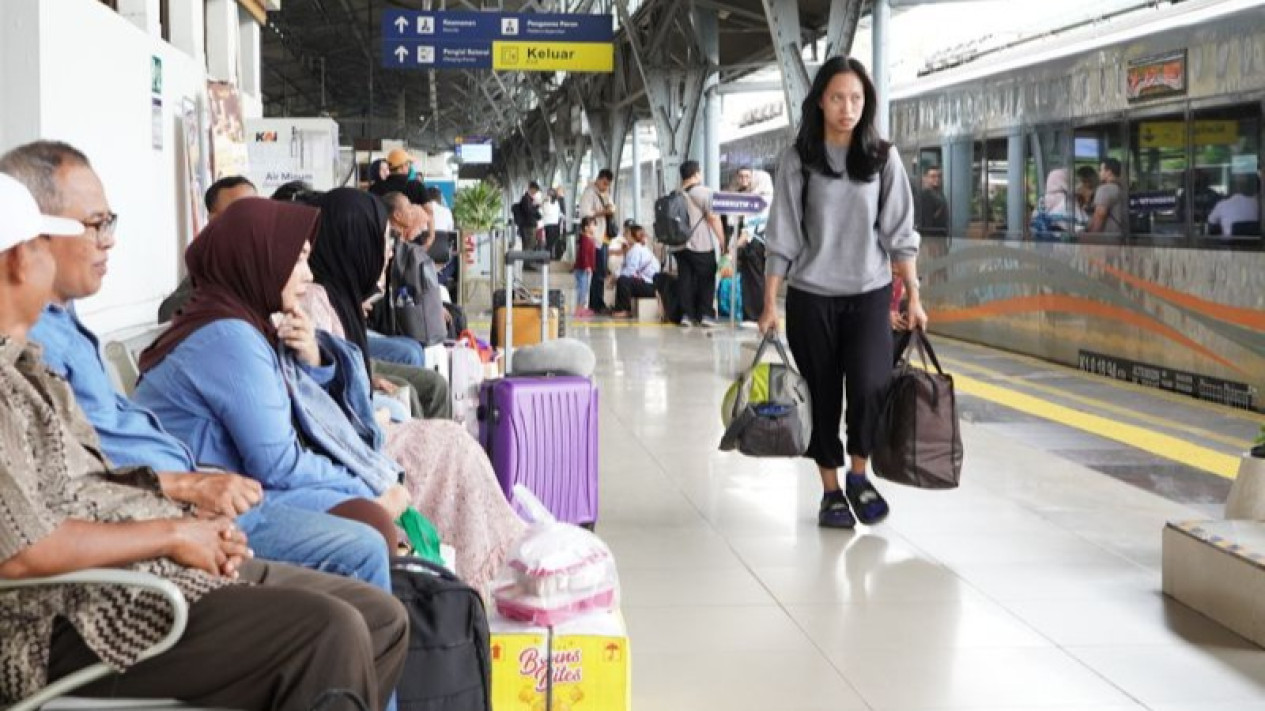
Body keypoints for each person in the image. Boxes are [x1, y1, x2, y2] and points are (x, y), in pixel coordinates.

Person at [0, 172, 408, 711]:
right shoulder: (14, 378)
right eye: (47, 247)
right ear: (18, 260)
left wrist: (185, 504)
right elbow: (21, 551)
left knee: (382, 619)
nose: (101, 245)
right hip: (77, 611)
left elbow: (87, 479)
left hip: (138, 564)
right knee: (331, 631)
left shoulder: (29, 368)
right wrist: (173, 534)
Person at [133, 198, 408, 550]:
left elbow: (299, 415)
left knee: (372, 517)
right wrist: (369, 484)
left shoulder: (242, 321)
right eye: (298, 260)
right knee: (371, 522)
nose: (309, 275)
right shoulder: (230, 337)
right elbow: (278, 463)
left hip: (235, 486)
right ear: (258, 260)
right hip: (207, 505)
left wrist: (311, 356)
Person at [300, 189, 528, 591]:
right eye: (381, 239)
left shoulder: (333, 296)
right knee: (448, 441)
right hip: (346, 443)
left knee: (447, 436)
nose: (389, 251)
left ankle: (486, 557)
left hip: (354, 429)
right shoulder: (314, 302)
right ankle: (479, 567)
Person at [760, 56, 925, 530]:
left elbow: (899, 232)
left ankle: (859, 472)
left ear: (866, 102)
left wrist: (913, 295)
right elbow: (783, 236)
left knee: (872, 385)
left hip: (870, 293)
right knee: (822, 396)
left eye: (856, 98)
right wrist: (770, 302)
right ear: (820, 102)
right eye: (837, 98)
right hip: (812, 296)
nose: (847, 107)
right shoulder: (799, 160)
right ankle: (831, 490)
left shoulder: (881, 156)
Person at [157, 175, 258, 322]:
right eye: (239, 212)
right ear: (213, 222)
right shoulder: (208, 267)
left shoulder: (272, 259)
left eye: (256, 210)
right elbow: (169, 312)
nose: (251, 220)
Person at [671, 160, 725, 328]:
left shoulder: (675, 193)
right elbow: (713, 218)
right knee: (707, 277)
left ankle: (687, 315)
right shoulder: (703, 192)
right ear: (696, 174)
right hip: (700, 244)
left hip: (679, 245)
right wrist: (723, 242)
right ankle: (706, 315)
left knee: (685, 280)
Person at [579, 169, 617, 312]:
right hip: (595, 239)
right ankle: (596, 304)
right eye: (604, 183)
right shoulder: (589, 193)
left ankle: (598, 302)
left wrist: (611, 208)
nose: (605, 187)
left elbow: (611, 207)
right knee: (598, 272)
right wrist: (602, 212)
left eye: (608, 185)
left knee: (601, 272)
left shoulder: (606, 194)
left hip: (605, 238)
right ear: (599, 179)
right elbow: (584, 214)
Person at [611, 224, 660, 317]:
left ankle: (624, 309)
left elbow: (629, 271)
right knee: (622, 279)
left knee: (623, 280)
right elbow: (625, 267)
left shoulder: (636, 249)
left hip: (651, 286)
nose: (624, 236)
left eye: (626, 233)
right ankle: (619, 308)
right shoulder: (634, 249)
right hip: (647, 283)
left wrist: (615, 277)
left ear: (630, 235)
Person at [1031, 168, 1087, 237]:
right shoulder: (1068, 199)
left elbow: (1034, 218)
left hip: (1043, 239)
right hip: (1064, 240)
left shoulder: (1043, 199)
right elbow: (1079, 225)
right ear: (1064, 181)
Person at [1087, 157, 1126, 235]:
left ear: (1109, 172)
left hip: (1107, 239)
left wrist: (1091, 237)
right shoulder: (1121, 188)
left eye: (1101, 170)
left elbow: (1100, 215)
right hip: (1120, 236)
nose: (1099, 173)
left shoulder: (1105, 189)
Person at [573, 216, 598, 319]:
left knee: (584, 289)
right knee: (582, 290)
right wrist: (587, 265)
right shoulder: (585, 240)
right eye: (593, 225)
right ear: (586, 227)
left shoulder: (588, 239)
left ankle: (581, 308)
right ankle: (579, 310)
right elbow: (584, 255)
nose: (595, 227)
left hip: (584, 269)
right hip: (582, 269)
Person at [916, 166, 948, 235]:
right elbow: (927, 222)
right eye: (933, 176)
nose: (937, 179)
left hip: (941, 235)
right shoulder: (925, 195)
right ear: (925, 178)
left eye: (939, 176)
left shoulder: (940, 194)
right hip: (932, 237)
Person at [516, 181, 543, 251]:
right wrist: (538, 214)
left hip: (528, 225)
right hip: (528, 226)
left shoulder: (528, 199)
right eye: (535, 191)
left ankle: (527, 261)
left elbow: (529, 210)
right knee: (529, 245)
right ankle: (527, 261)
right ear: (532, 189)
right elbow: (528, 211)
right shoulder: (526, 199)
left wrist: (536, 206)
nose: (535, 193)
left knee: (529, 244)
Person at [541, 188, 562, 259]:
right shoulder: (546, 202)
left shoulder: (556, 202)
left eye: (552, 193)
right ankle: (547, 255)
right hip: (549, 224)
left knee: (553, 240)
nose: (551, 195)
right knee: (550, 241)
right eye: (550, 193)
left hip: (555, 223)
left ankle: (549, 255)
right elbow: (547, 211)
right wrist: (546, 201)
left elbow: (558, 212)